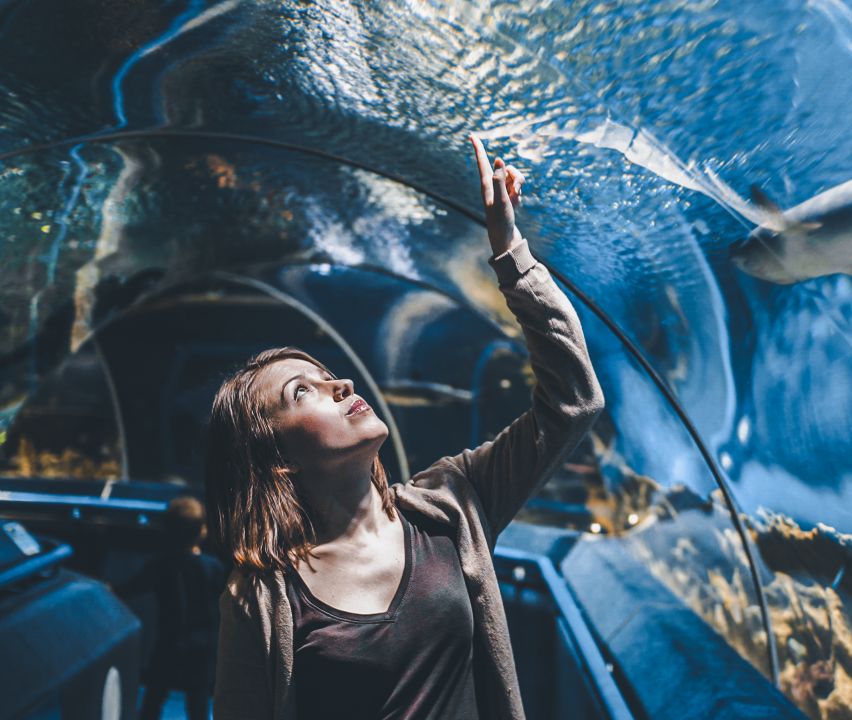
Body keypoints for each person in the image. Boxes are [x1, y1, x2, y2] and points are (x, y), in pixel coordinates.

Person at [207, 136, 605, 719]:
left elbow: (575, 400)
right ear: (277, 456)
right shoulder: (262, 596)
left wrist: (511, 252)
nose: (339, 385)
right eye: (303, 393)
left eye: (326, 374)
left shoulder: (452, 505)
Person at [114, 495, 226, 720]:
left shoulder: (160, 565)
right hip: (202, 649)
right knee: (198, 704)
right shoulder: (213, 568)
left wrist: (108, 588)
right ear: (202, 531)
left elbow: (131, 588)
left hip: (168, 642)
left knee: (154, 697)